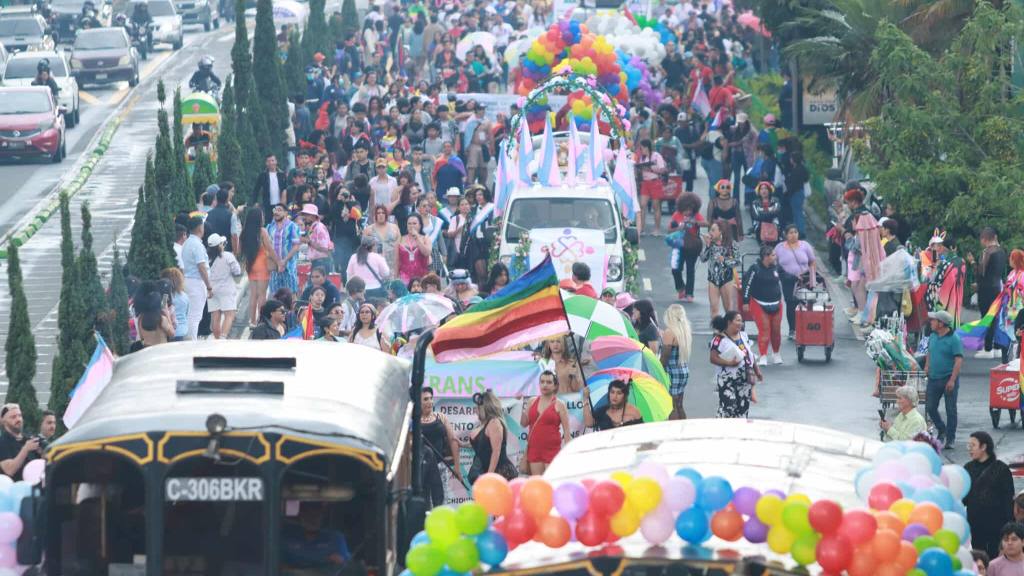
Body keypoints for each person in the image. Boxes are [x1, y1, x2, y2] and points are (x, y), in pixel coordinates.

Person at [964, 431, 1015, 559]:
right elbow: (964, 498)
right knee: (978, 559)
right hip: (975, 525)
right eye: (968, 445)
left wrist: (1009, 527)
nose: (969, 449)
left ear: (984, 447)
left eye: (973, 445)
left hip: (997, 526)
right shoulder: (968, 468)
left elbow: (1008, 500)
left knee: (996, 558)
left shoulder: (1001, 469)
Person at [710, 312, 761, 418]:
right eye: (738, 320)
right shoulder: (719, 339)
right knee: (728, 407)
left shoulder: (743, 336)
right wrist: (729, 363)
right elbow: (713, 358)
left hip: (744, 378)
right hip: (727, 379)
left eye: (741, 321)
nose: (740, 323)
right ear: (729, 322)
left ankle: (740, 428)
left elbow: (749, 355)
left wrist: (757, 371)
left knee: (743, 408)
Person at [924, 310, 964, 449]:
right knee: (930, 407)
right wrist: (927, 366)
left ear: (941, 324)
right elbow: (929, 352)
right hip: (933, 378)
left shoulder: (954, 339)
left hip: (948, 379)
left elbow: (958, 360)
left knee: (950, 410)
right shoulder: (933, 336)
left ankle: (950, 438)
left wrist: (952, 380)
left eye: (934, 320)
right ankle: (942, 429)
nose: (931, 322)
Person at [520, 371, 571, 476]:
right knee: (538, 483)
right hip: (534, 449)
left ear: (555, 385)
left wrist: (568, 453)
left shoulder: (560, 404)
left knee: (552, 481)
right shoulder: (532, 401)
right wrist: (520, 403)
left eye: (549, 382)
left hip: (552, 450)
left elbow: (566, 431)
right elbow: (523, 423)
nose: (545, 385)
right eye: (542, 382)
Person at [969, 227, 1009, 359]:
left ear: (984, 239)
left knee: (986, 317)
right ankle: (997, 347)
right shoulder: (1002, 251)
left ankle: (987, 348)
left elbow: (981, 272)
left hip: (986, 289)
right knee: (996, 317)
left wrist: (972, 262)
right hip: (997, 287)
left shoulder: (987, 252)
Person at [420, 387, 462, 508]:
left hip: (440, 467)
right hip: (422, 469)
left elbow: (453, 440)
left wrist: (457, 467)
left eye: (431, 398)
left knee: (442, 503)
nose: (430, 402)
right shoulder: (413, 421)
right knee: (424, 504)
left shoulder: (441, 417)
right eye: (425, 399)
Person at [240, 208, 282, 329]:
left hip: (250, 265)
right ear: (259, 218)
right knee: (262, 295)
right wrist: (278, 262)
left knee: (253, 295)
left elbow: (240, 250)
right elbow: (270, 249)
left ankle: (252, 321)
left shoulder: (244, 232)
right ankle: (261, 320)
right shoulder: (262, 231)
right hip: (262, 264)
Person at [774, 224, 818, 339]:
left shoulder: (805, 245)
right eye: (791, 233)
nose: (793, 235)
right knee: (791, 304)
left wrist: (812, 278)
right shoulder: (779, 248)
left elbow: (812, 261)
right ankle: (792, 330)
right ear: (785, 234)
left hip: (804, 280)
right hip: (788, 281)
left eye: (795, 232)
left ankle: (806, 328)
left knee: (805, 303)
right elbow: (774, 263)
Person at [744, 245, 785, 365]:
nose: (775, 257)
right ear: (766, 257)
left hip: (776, 303)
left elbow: (786, 276)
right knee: (764, 330)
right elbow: (747, 285)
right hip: (759, 303)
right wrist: (746, 301)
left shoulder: (777, 267)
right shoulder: (755, 268)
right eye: (773, 255)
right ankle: (763, 355)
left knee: (776, 330)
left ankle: (776, 353)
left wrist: (798, 276)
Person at [281, 503, 351, 571]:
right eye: (308, 513)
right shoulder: (286, 537)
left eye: (317, 514)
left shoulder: (336, 539)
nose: (313, 519)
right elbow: (278, 563)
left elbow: (348, 566)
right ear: (301, 515)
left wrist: (340, 561)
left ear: (323, 516)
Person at [468, 390, 517, 483]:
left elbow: (496, 452)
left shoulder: (494, 422)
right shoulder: (484, 424)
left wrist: (489, 476)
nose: (475, 410)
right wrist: (461, 443)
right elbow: (482, 444)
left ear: (484, 408)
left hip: (499, 472)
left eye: (477, 407)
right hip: (485, 471)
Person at [667, 193, 706, 302]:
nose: (688, 212)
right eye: (685, 209)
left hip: (692, 246)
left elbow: (706, 223)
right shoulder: (676, 215)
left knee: (690, 270)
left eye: (690, 209)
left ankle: (689, 293)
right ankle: (680, 288)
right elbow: (669, 230)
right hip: (679, 246)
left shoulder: (696, 215)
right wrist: (679, 228)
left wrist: (696, 222)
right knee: (675, 269)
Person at [181, 215, 212, 340]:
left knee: (190, 315)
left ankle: (189, 340)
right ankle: (191, 343)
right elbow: (201, 267)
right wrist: (209, 286)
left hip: (188, 281)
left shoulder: (187, 242)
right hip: (196, 283)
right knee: (195, 316)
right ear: (200, 228)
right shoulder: (197, 245)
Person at [206, 234, 242, 339]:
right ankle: (223, 337)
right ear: (219, 245)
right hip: (226, 289)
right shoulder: (227, 256)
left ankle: (216, 338)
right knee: (229, 315)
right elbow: (237, 271)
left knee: (215, 316)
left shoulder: (207, 258)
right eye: (222, 243)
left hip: (212, 290)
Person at [700, 220, 739, 317]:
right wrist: (707, 246)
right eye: (710, 230)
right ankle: (716, 326)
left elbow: (738, 261)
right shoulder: (711, 244)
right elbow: (703, 259)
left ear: (721, 231)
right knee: (713, 308)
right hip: (713, 279)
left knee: (728, 309)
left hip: (726, 279)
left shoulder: (731, 244)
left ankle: (728, 326)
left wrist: (724, 260)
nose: (710, 232)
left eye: (713, 230)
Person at [661, 304, 693, 420]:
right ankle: (684, 427)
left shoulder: (669, 332)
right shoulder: (684, 331)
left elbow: (665, 355)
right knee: (679, 404)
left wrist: (659, 369)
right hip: (683, 370)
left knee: (671, 406)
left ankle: (673, 428)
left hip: (672, 372)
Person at [266, 203, 302, 295]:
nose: (276, 212)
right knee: (275, 294)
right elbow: (267, 246)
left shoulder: (292, 226)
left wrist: (284, 261)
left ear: (286, 213)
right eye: (275, 210)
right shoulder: (270, 227)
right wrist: (275, 262)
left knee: (291, 294)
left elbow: (296, 246)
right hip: (274, 267)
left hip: (289, 266)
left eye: (279, 210)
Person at [0, 404, 42, 481]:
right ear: (4, 422)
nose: (18, 419)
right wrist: (25, 449)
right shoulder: (2, 442)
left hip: (35, 485)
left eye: (19, 415)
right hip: (14, 487)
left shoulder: (29, 439)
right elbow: (9, 470)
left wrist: (42, 453)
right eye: (13, 417)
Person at [636, 139, 667, 235]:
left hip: (655, 182)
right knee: (642, 205)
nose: (641, 150)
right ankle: (641, 228)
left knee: (656, 206)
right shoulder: (642, 158)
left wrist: (650, 169)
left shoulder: (657, 156)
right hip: (645, 183)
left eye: (642, 148)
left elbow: (662, 170)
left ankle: (657, 229)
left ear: (646, 147)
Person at [348, 236, 391, 300]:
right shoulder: (378, 257)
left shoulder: (353, 257)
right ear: (373, 246)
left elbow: (349, 274)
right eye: (376, 245)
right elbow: (386, 273)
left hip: (359, 291)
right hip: (376, 289)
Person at [396, 213, 432, 284]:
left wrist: (417, 238)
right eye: (409, 223)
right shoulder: (401, 239)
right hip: (404, 277)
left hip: (422, 278)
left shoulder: (425, 238)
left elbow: (427, 253)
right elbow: (397, 260)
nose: (411, 226)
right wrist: (396, 277)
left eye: (414, 223)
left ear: (420, 225)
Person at [253, 154, 288, 222]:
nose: (271, 163)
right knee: (268, 222)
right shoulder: (263, 175)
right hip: (268, 205)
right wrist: (255, 202)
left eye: (272, 160)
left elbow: (285, 189)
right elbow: (256, 189)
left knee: (280, 221)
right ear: (266, 163)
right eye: (269, 161)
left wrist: (284, 203)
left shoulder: (282, 174)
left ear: (276, 161)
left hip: (279, 204)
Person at [160, 267, 189, 341]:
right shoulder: (185, 296)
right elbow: (186, 313)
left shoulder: (165, 296)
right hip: (184, 330)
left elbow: (162, 311)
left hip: (170, 333)